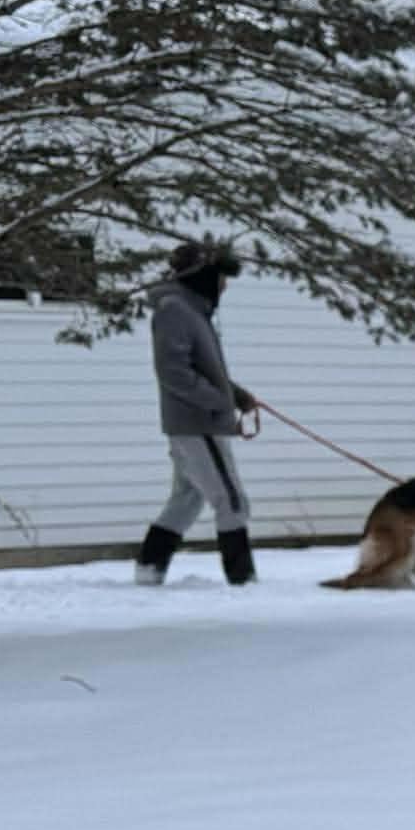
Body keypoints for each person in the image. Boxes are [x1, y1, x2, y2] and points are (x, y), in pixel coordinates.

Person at [134, 242, 262, 584]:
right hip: (197, 424)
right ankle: (242, 580)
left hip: (195, 422)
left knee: (186, 500)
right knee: (232, 501)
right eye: (221, 277)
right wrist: (217, 402)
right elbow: (173, 371)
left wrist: (235, 396)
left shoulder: (194, 312)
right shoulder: (176, 310)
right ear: (203, 276)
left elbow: (203, 370)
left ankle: (149, 570)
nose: (225, 285)